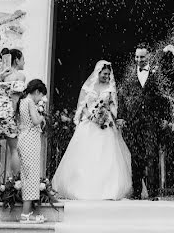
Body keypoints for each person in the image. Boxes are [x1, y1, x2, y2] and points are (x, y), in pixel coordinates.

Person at [52, 60, 132, 200]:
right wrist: (91, 116)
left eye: (108, 74)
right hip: (89, 123)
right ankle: (82, 188)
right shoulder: (88, 87)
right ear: (98, 72)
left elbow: (113, 106)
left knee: (106, 157)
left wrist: (111, 115)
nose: (107, 76)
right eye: (104, 74)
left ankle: (108, 189)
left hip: (105, 125)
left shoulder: (110, 88)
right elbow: (82, 105)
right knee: (87, 156)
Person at [117, 43, 174, 199]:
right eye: (137, 56)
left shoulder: (156, 74)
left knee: (151, 155)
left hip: (152, 121)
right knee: (136, 157)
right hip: (133, 121)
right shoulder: (130, 76)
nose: (139, 59)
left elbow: (164, 98)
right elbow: (122, 97)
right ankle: (137, 192)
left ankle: (153, 193)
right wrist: (121, 116)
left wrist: (166, 118)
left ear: (148, 56)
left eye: (142, 56)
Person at [0, 49, 27, 188]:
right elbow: (15, 98)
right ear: (16, 60)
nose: (24, 62)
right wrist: (13, 116)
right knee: (14, 150)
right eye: (22, 59)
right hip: (8, 111)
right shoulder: (19, 76)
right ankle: (16, 185)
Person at [17, 79, 48, 224]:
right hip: (30, 141)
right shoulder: (30, 102)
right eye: (41, 95)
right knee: (31, 176)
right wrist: (42, 117)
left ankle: (27, 213)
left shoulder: (22, 101)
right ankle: (25, 214)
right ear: (37, 92)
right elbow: (35, 121)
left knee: (26, 175)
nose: (40, 99)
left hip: (23, 138)